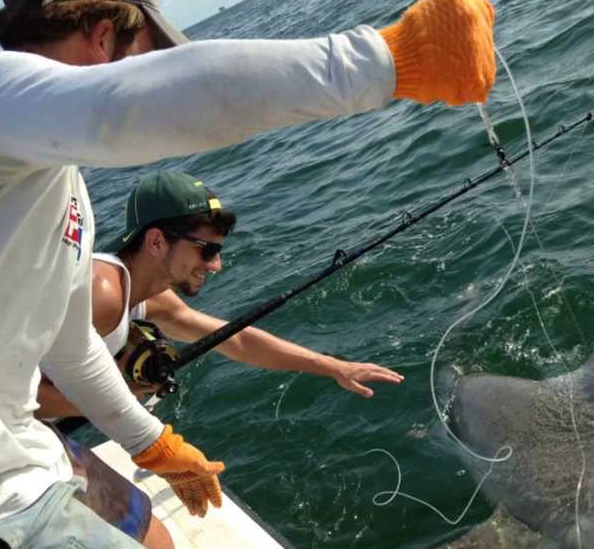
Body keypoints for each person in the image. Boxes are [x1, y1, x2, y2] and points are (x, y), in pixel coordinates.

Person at [0, 0, 497, 549]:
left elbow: (71, 345)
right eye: (148, 56)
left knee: (157, 543)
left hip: (19, 456)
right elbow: (118, 112)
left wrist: (154, 445)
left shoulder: (53, 186)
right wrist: (391, 59)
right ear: (105, 36)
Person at [35, 170, 405, 425]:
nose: (216, 265)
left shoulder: (151, 297)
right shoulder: (102, 294)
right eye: (207, 250)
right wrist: (121, 395)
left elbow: (237, 341)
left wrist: (333, 367)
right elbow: (19, 394)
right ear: (156, 241)